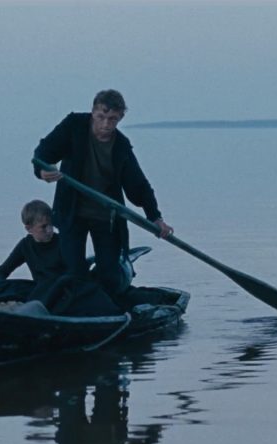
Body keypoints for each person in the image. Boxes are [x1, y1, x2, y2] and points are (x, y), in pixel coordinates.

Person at [33, 89, 173, 296]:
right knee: (73, 273)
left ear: (121, 118)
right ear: (93, 112)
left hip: (106, 217)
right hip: (72, 214)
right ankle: (77, 308)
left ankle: (109, 304)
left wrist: (155, 217)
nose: (106, 125)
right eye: (101, 117)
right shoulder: (74, 126)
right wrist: (42, 171)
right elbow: (43, 152)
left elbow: (138, 185)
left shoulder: (121, 146)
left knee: (110, 276)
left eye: (113, 119)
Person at [0, 199, 65, 284]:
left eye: (51, 224)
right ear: (29, 229)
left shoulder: (64, 242)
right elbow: (1, 272)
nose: (49, 230)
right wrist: (1, 286)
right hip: (41, 292)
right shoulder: (26, 245)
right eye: (43, 227)